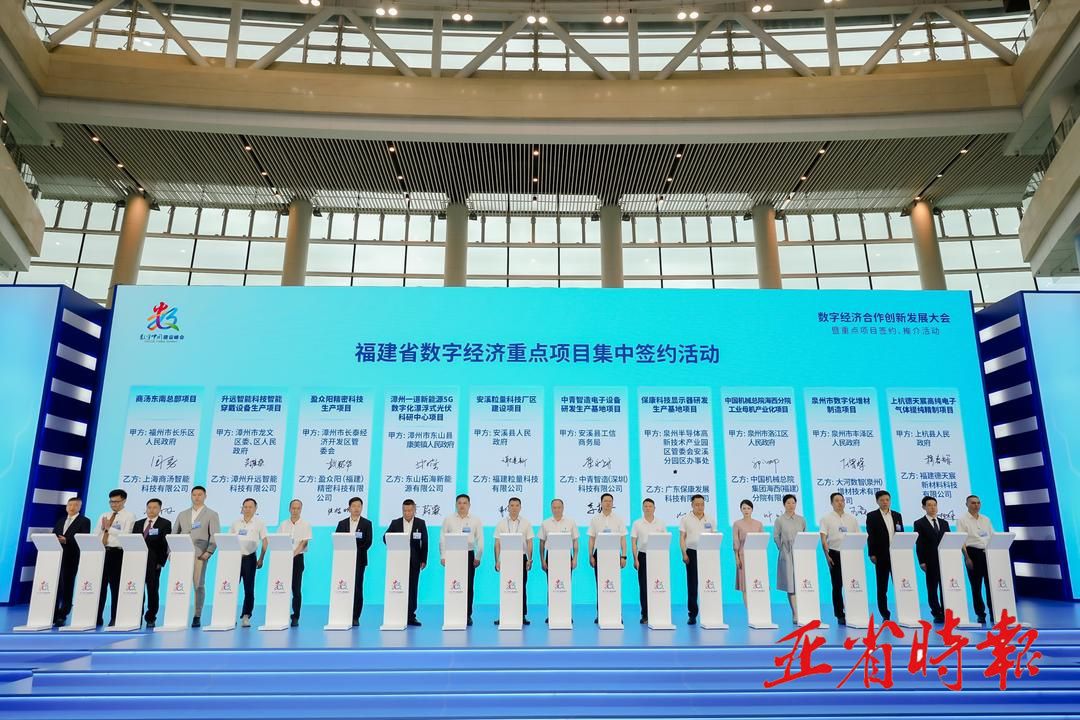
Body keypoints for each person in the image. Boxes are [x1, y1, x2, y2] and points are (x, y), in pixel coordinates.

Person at [174, 485, 220, 628]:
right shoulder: (182, 514)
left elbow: (214, 534)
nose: (197, 497)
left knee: (198, 585)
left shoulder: (211, 514)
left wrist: (209, 551)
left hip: (199, 554)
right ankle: (177, 613)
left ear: (205, 496)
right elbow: (174, 533)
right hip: (181, 554)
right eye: (194, 495)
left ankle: (197, 615)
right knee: (179, 584)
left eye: (200, 494)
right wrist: (171, 552)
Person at [384, 498, 428, 626]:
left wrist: (423, 559)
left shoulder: (420, 523)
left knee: (412, 588)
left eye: (409, 510)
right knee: (398, 587)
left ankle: (410, 616)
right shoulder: (395, 523)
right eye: (405, 510)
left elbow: (425, 542)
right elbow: (385, 538)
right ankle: (397, 613)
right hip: (398, 561)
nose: (407, 513)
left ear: (414, 510)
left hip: (414, 561)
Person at [440, 494, 483, 626]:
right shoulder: (448, 519)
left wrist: (478, 557)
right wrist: (443, 556)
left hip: (468, 554)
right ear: (456, 504)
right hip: (452, 555)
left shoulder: (475, 520)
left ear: (469, 505)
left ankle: (467, 615)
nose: (462, 505)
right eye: (459, 503)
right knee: (453, 585)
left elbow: (480, 540)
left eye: (465, 503)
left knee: (468, 586)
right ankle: (452, 612)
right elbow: (442, 539)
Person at [819, 491, 859, 626]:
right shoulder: (826, 518)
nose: (840, 503)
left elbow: (858, 537)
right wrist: (827, 555)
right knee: (837, 585)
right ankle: (840, 614)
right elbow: (823, 538)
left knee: (852, 584)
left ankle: (853, 611)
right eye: (836, 501)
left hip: (851, 554)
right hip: (835, 553)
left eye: (842, 500)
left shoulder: (852, 519)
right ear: (831, 503)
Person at [96, 489, 135, 627]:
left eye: (117, 502)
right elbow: (97, 533)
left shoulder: (129, 516)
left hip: (117, 553)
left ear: (124, 501)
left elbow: (126, 535)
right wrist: (102, 530)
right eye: (111, 502)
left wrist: (109, 528)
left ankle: (115, 618)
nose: (114, 504)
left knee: (115, 587)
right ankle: (97, 617)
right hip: (101, 552)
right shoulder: (104, 515)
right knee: (100, 587)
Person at [587, 492, 627, 624]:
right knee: (601, 585)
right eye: (605, 501)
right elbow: (591, 539)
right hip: (599, 554)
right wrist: (591, 555)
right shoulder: (595, 519)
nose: (608, 503)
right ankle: (601, 614)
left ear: (613, 503)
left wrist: (624, 556)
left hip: (614, 554)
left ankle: (617, 614)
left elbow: (623, 539)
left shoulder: (619, 519)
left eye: (610, 501)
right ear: (601, 503)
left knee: (614, 585)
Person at [494, 497, 534, 625]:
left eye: (517, 505)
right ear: (508, 507)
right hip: (505, 558)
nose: (514, 508)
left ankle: (521, 615)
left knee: (521, 587)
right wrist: (497, 560)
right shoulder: (501, 523)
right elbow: (497, 543)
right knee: (506, 587)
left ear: (520, 507)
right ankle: (504, 615)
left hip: (521, 557)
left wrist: (529, 559)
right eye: (512, 505)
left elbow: (529, 542)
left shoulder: (526, 523)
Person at [133, 498, 171, 629]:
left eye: (155, 507)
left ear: (160, 509)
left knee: (152, 590)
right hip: (137, 561)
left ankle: (151, 617)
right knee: (137, 590)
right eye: (149, 507)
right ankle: (136, 616)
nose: (151, 510)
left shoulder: (165, 523)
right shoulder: (138, 523)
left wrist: (160, 562)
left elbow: (165, 544)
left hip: (153, 561)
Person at [538, 498, 578, 624]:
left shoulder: (570, 522)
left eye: (559, 507)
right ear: (551, 509)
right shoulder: (545, 523)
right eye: (554, 507)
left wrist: (575, 558)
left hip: (566, 557)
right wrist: (542, 560)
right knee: (552, 587)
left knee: (565, 586)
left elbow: (575, 541)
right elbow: (541, 543)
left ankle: (566, 614)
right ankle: (552, 614)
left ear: (563, 508)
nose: (557, 510)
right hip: (550, 557)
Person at [335, 496, 373, 627]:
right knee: (343, 586)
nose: (356, 509)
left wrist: (354, 551)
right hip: (343, 560)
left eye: (359, 506)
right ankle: (343, 613)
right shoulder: (342, 523)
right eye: (354, 506)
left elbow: (368, 542)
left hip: (359, 560)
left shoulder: (367, 524)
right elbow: (337, 540)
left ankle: (355, 616)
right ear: (349, 508)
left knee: (357, 587)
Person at [865, 489, 903, 621]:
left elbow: (901, 534)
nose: (885, 502)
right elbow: (871, 536)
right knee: (882, 587)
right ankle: (885, 614)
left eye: (887, 500)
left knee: (901, 585)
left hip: (897, 555)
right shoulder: (872, 516)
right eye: (882, 500)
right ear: (877, 501)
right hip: (881, 555)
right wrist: (872, 553)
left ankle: (904, 611)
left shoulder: (897, 515)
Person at [230, 498, 268, 628]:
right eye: (245, 507)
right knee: (231, 587)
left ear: (255, 508)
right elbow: (229, 539)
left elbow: (265, 541)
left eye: (250, 507)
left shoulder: (259, 523)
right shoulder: (236, 523)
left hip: (250, 558)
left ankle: (246, 616)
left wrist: (261, 558)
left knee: (249, 588)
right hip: (235, 559)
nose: (247, 509)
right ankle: (229, 615)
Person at [679, 493, 716, 625]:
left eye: (702, 504)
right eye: (697, 505)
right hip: (692, 553)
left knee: (709, 583)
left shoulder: (710, 519)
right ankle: (693, 614)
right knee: (692, 584)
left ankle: (710, 612)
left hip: (707, 553)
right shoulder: (685, 519)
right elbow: (682, 538)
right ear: (692, 505)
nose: (700, 507)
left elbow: (714, 536)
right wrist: (684, 553)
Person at [957, 494, 994, 624]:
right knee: (976, 586)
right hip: (973, 554)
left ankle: (993, 612)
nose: (976, 505)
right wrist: (967, 558)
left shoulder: (986, 519)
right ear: (966, 504)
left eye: (978, 503)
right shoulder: (962, 520)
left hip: (987, 553)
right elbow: (961, 540)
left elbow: (992, 536)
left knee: (991, 586)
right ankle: (980, 614)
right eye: (973, 503)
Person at [52, 497, 90, 627]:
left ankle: (63, 613)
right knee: (56, 586)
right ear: (66, 506)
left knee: (67, 586)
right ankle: (53, 613)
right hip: (57, 557)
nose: (72, 507)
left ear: (80, 507)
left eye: (75, 505)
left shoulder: (84, 521)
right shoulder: (60, 520)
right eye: (70, 505)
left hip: (72, 557)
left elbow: (83, 538)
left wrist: (67, 540)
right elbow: (54, 535)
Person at [913, 495, 949, 624]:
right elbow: (919, 544)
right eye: (929, 505)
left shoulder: (944, 523)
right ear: (924, 507)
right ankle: (937, 613)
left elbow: (949, 541)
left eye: (934, 505)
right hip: (930, 560)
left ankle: (946, 611)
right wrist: (921, 561)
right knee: (932, 588)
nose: (933, 507)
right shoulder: (919, 523)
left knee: (946, 587)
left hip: (945, 560)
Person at [630, 498, 665, 624]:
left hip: (658, 557)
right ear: (642, 508)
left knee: (658, 585)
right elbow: (633, 543)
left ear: (654, 508)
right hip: (643, 556)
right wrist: (635, 559)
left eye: (650, 506)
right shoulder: (637, 523)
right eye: (645, 506)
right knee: (644, 586)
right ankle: (645, 614)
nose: (648, 508)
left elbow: (665, 540)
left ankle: (659, 612)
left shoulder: (661, 523)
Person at [278, 499, 311, 627]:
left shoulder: (305, 524)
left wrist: (293, 554)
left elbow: (304, 542)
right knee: (281, 587)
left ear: (301, 509)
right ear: (289, 509)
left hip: (297, 559)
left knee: (296, 589)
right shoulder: (283, 524)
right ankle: (281, 613)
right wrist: (285, 555)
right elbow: (278, 540)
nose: (295, 510)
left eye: (298, 508)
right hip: (283, 559)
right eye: (293, 508)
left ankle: (295, 616)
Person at [773, 493, 806, 623]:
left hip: (800, 555)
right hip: (787, 554)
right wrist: (782, 549)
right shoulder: (780, 520)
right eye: (788, 503)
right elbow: (776, 536)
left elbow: (805, 535)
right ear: (784, 504)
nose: (791, 505)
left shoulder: (801, 519)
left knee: (801, 582)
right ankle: (795, 613)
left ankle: (804, 611)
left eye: (793, 502)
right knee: (791, 584)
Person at [732, 499, 764, 608]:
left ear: (752, 510)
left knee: (757, 583)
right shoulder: (737, 524)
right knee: (745, 585)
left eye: (748, 508)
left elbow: (762, 540)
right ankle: (749, 609)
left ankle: (758, 607)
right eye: (744, 508)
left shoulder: (759, 524)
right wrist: (736, 558)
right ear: (741, 510)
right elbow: (736, 542)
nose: (746, 510)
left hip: (757, 557)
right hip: (743, 557)